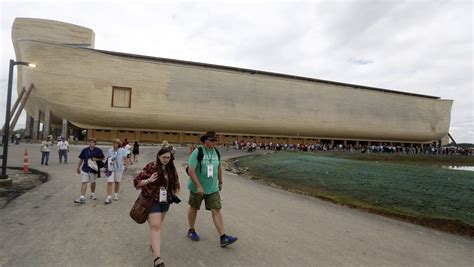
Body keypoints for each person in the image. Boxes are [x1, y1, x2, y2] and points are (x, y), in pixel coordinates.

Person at [186, 131, 238, 247]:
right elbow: (191, 170)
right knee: (194, 207)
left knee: (216, 210)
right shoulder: (198, 152)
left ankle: (223, 237)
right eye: (211, 140)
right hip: (197, 188)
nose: (214, 142)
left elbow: (219, 168)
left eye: (215, 140)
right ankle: (191, 230)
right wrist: (199, 186)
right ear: (204, 141)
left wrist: (220, 181)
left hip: (212, 188)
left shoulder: (216, 152)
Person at [133, 148, 180, 267]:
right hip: (151, 201)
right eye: (164, 157)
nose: (166, 160)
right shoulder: (151, 166)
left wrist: (175, 189)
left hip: (165, 201)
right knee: (156, 226)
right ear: (158, 156)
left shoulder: (171, 167)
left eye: (168, 158)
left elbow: (175, 181)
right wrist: (149, 180)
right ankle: (157, 259)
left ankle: (152, 244)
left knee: (157, 226)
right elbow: (136, 182)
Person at [74, 138, 104, 204]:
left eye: (92, 142)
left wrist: (96, 159)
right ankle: (82, 197)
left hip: (94, 169)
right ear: (88, 143)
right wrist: (78, 167)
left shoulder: (98, 150)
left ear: (95, 143)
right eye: (89, 142)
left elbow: (103, 158)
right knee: (84, 182)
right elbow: (81, 159)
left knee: (93, 182)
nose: (91, 143)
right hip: (85, 169)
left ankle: (92, 193)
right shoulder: (85, 150)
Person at [105, 139, 128, 204]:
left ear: (119, 144)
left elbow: (125, 158)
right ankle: (108, 197)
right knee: (110, 182)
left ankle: (116, 194)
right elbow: (107, 158)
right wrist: (110, 159)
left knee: (117, 182)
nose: (114, 144)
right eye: (113, 143)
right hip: (111, 168)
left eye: (116, 143)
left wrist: (126, 165)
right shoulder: (110, 150)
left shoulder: (122, 150)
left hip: (119, 168)